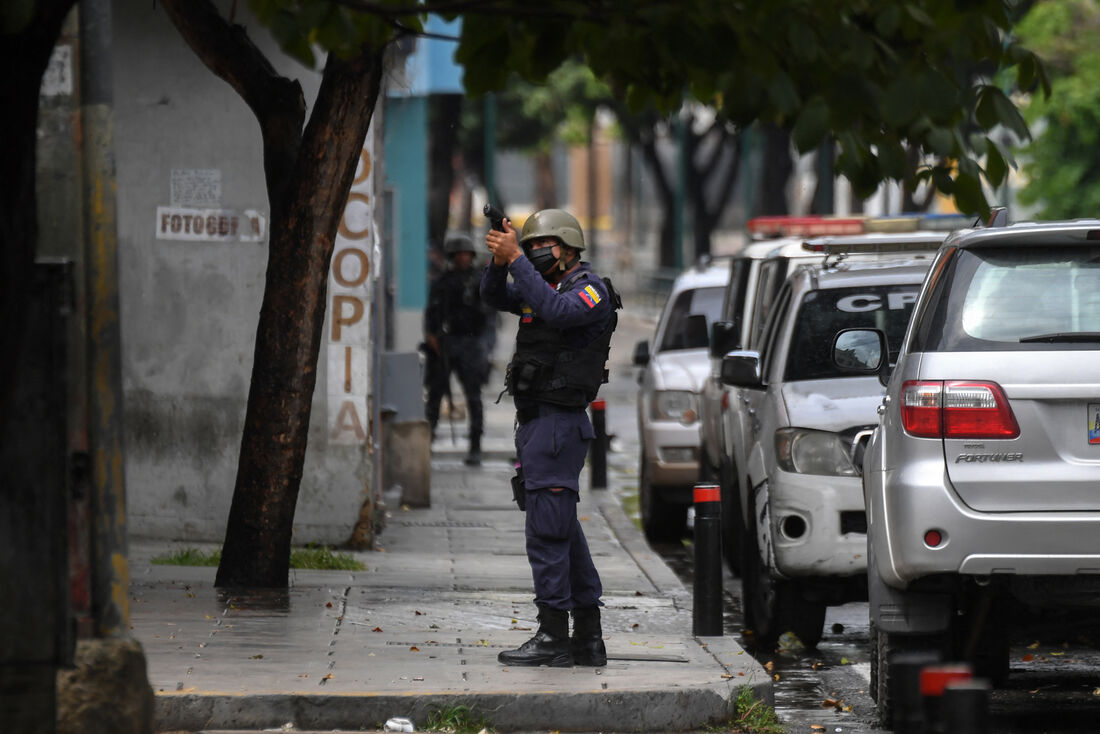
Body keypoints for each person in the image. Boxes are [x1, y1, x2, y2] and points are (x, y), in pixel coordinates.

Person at [481, 208, 621, 667]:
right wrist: (502, 261)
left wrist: (517, 257)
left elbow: (558, 312)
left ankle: (552, 635)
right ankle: (587, 637)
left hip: (560, 423)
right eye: (531, 245)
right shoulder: (540, 288)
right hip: (538, 423)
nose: (536, 253)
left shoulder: (589, 291)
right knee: (560, 529)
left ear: (568, 248)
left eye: (543, 246)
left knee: (546, 532)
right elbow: (490, 295)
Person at [423, 235, 492, 466]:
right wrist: (432, 335)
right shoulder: (442, 281)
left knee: (474, 396)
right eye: (459, 254)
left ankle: (475, 446)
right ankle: (426, 442)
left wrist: (485, 345)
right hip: (446, 343)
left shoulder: (480, 280)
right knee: (435, 395)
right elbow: (432, 312)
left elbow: (489, 316)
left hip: (471, 344)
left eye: (466, 254)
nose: (463, 258)